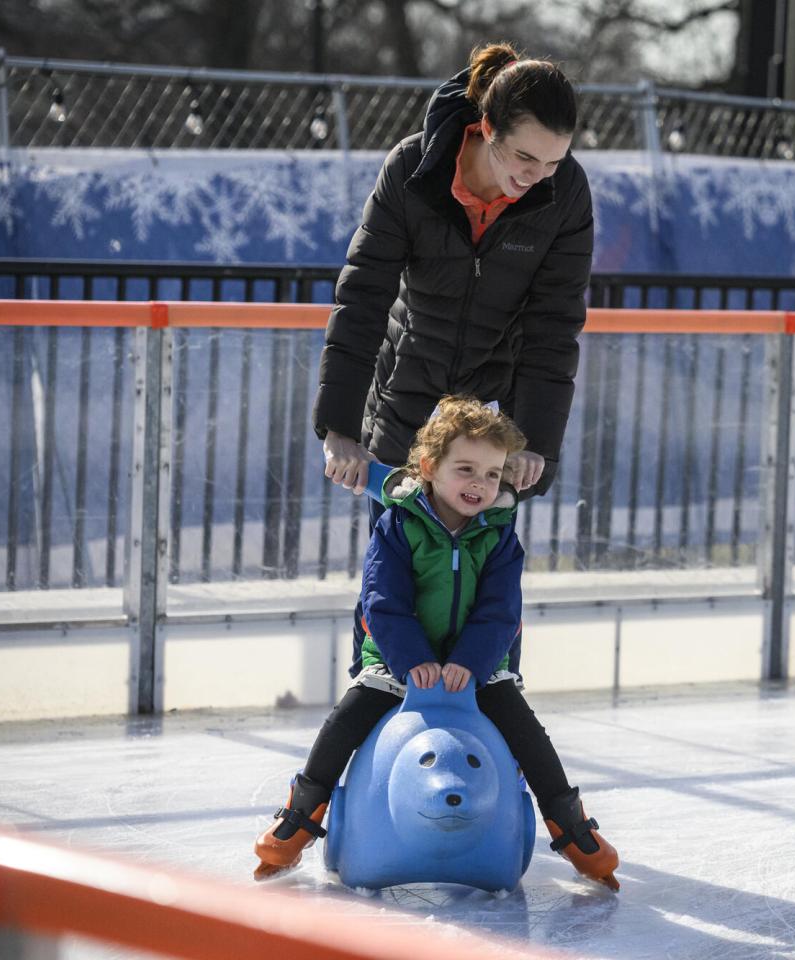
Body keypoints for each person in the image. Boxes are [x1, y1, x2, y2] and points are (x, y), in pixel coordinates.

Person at [254, 397, 619, 891]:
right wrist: (412, 661)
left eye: (491, 475)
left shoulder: (499, 533)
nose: (480, 484)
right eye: (465, 469)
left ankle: (569, 824)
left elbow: (500, 611)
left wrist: (470, 662)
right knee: (346, 723)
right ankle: (301, 813)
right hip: (396, 658)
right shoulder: (398, 524)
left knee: (526, 734)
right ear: (429, 468)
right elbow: (382, 602)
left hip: (479, 664)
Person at [316, 41, 592, 501]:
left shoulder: (564, 193)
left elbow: (553, 324)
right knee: (400, 560)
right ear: (488, 128)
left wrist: (536, 445)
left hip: (490, 416)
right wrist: (339, 427)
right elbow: (363, 296)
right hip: (405, 390)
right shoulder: (412, 170)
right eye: (525, 157)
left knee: (479, 567)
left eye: (552, 162)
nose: (535, 177)